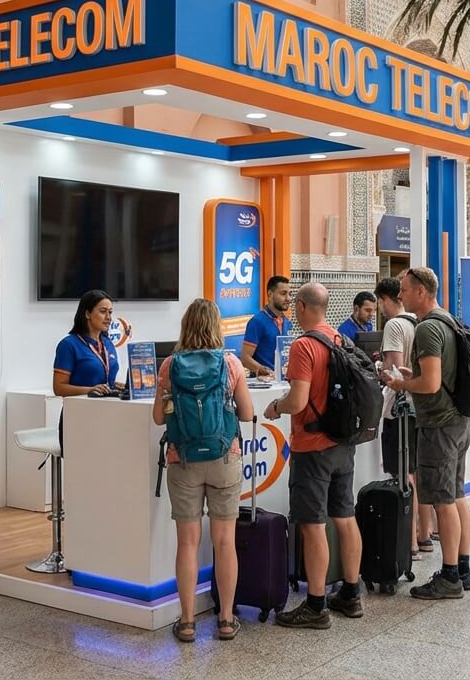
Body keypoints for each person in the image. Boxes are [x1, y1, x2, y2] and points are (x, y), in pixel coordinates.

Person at [152, 299, 254, 643]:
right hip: (224, 458)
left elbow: (158, 417)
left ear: (186, 326)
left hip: (183, 460)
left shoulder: (170, 365)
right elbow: (246, 413)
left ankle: (186, 622)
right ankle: (225, 619)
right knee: (225, 541)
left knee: (187, 542)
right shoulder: (230, 363)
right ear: (216, 326)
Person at [263, 282, 364, 628]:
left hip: (312, 447)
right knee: (345, 517)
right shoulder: (340, 339)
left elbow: (298, 401)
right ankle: (351, 593)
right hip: (342, 444)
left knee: (313, 524)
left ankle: (316, 605)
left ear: (303, 306)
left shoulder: (304, 345)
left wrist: (276, 407)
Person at [384, 267, 470, 597]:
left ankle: (449, 576)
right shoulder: (448, 320)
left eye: (405, 290)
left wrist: (401, 383)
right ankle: (463, 569)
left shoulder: (427, 328)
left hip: (439, 425)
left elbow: (431, 384)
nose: (400, 296)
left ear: (421, 291)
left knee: (442, 500)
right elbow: (438, 376)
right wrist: (415, 376)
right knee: (456, 494)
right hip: (459, 421)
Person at [372, 277, 427, 559]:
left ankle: (410, 541)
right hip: (421, 405)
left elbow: (394, 367)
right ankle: (424, 534)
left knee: (404, 473)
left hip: (401, 407)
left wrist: (379, 367)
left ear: (386, 299)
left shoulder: (394, 325)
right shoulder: (420, 322)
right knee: (417, 471)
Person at [52, 290, 122, 398]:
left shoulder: (108, 343)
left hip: (108, 406)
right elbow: (59, 388)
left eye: (110, 312)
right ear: (87, 314)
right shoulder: (68, 345)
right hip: (80, 406)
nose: (108, 317)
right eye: (103, 311)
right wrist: (89, 390)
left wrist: (113, 386)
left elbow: (102, 379)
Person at [241, 276, 292, 378]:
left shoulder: (288, 323)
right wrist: (264, 371)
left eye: (290, 294)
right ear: (270, 294)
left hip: (284, 382)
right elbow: (245, 358)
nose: (288, 298)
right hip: (264, 383)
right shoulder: (257, 322)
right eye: (283, 293)